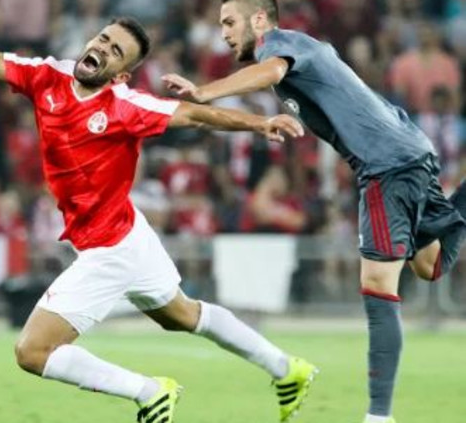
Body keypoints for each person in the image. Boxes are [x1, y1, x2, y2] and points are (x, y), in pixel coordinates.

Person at [0, 16, 315, 423]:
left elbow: (193, 115)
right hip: (130, 233)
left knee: (32, 351)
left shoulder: (125, 105)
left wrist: (260, 123)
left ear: (121, 75)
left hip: (110, 250)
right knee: (183, 315)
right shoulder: (48, 75)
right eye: (103, 39)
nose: (103, 47)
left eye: (116, 51)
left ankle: (150, 392)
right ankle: (286, 368)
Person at [161, 2, 466, 422]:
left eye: (230, 23)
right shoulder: (302, 48)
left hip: (386, 164)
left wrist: (204, 91)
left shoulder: (280, 45)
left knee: (378, 284)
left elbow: (271, 71)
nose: (224, 33)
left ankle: (379, 417)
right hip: (408, 150)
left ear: (259, 19)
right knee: (429, 267)